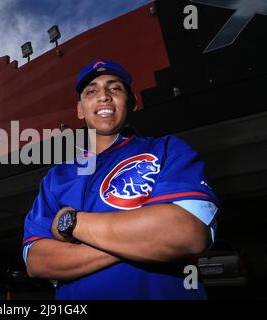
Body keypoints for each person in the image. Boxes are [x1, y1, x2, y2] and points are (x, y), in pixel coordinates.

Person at [22, 59, 219, 300]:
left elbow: (187, 233)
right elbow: (37, 261)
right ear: (80, 109)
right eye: (91, 91)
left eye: (114, 88)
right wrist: (141, 239)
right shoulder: (57, 177)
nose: (103, 96)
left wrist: (72, 223)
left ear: (132, 102)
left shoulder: (167, 149)